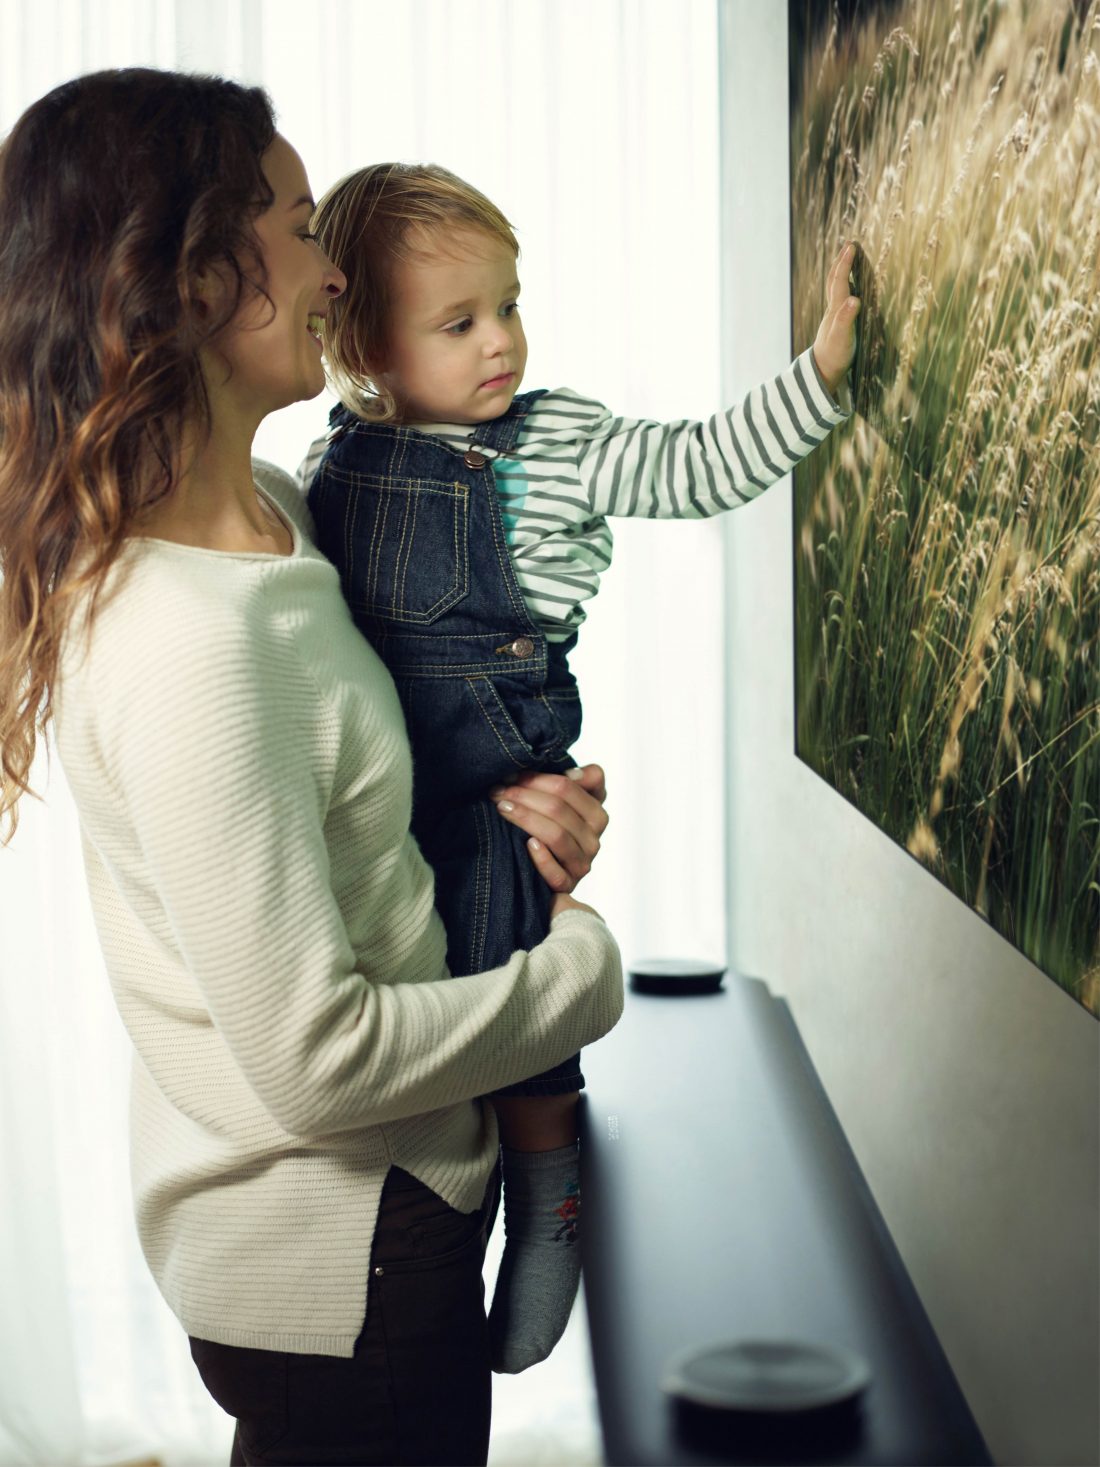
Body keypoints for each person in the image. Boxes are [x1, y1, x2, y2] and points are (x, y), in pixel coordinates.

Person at [0, 71, 623, 1467]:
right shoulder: (185, 644)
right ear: (195, 278)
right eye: (294, 221)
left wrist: (515, 812)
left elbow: (350, 819)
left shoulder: (278, 518)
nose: (332, 262)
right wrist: (578, 979)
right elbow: (318, 1057)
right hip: (345, 1251)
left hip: (378, 1220)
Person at [299, 162, 861, 1374]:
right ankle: (459, 1189)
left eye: (509, 303)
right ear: (358, 347)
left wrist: (815, 375)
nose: (500, 341)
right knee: (416, 1002)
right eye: (458, 323)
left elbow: (697, 465)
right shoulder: (329, 463)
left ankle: (546, 1188)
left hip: (502, 784)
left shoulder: (554, 442)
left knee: (514, 964)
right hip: (387, 794)